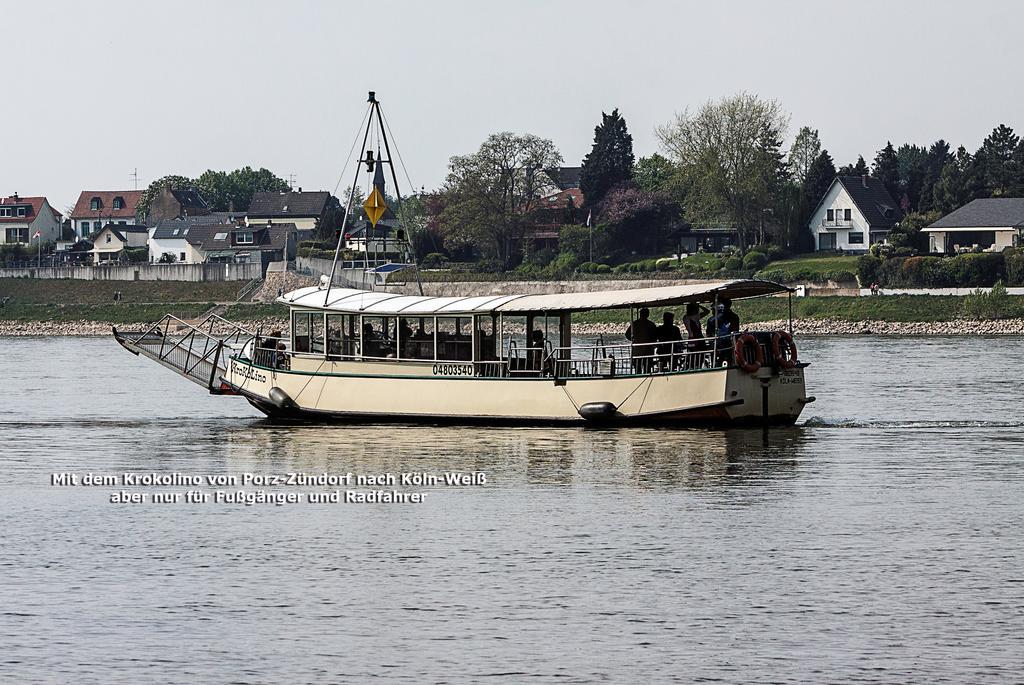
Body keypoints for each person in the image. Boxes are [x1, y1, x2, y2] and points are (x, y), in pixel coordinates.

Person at [625, 307, 658, 372]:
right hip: (648, 350)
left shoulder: (635, 324)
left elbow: (627, 334)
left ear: (640, 314)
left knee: (638, 368)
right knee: (647, 368)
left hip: (637, 350)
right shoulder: (651, 324)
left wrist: (634, 340)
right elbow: (655, 336)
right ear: (648, 314)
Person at [681, 302, 710, 367]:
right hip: (696, 339)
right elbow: (707, 311)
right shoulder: (694, 317)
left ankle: (695, 366)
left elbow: (707, 311)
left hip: (694, 339)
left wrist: (698, 305)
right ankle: (696, 366)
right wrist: (699, 305)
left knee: (695, 355)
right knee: (697, 355)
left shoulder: (686, 318)